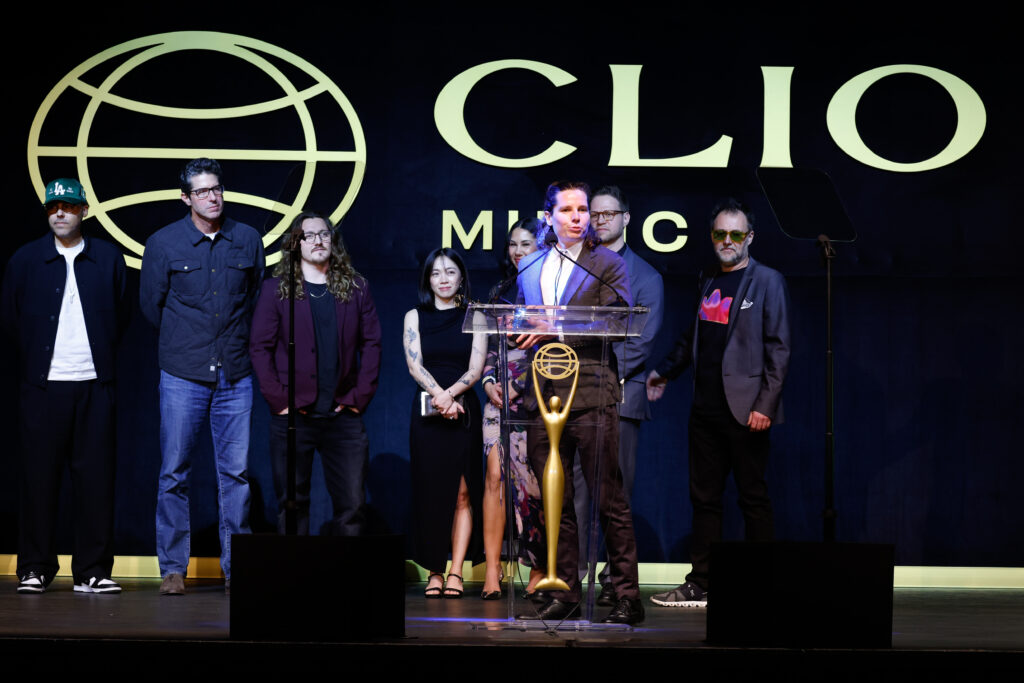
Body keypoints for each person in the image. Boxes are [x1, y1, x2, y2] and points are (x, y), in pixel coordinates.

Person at [646, 197, 790, 608]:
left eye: (736, 234)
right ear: (712, 237)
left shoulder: (768, 281)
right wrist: (665, 372)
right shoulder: (707, 276)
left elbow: (779, 349)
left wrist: (765, 405)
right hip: (705, 410)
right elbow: (693, 337)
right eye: (720, 234)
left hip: (747, 411)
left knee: (752, 497)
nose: (728, 241)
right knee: (704, 499)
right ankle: (702, 583)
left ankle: (764, 585)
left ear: (750, 237)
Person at [514, 181, 644, 625]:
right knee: (557, 500)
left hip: (590, 392)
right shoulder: (530, 264)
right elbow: (522, 319)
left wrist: (555, 328)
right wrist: (518, 329)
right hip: (542, 393)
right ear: (548, 216)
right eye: (567, 209)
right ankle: (565, 589)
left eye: (583, 209)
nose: (577, 217)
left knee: (608, 499)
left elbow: (618, 322)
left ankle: (627, 595)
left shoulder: (607, 263)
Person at [140, 158, 265, 595]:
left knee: (236, 474)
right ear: (185, 198)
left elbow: (254, 299)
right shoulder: (163, 242)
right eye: (202, 191)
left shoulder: (246, 239)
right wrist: (187, 342)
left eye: (217, 189)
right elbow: (151, 306)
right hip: (183, 372)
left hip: (235, 372)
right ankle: (173, 569)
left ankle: (238, 567)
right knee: (174, 471)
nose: (212, 197)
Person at [1, 178, 128, 594]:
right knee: (38, 479)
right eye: (53, 206)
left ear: (84, 211)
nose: (60, 213)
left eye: (69, 206)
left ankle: (92, 570)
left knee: (96, 481)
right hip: (43, 387)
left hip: (94, 384)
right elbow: (10, 319)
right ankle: (34, 567)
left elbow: (122, 316)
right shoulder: (25, 259)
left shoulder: (108, 258)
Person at [250, 211, 381, 536]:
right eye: (308, 236)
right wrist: (279, 401)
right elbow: (259, 348)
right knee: (292, 505)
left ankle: (345, 570)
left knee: (352, 507)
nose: (318, 240)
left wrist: (358, 398)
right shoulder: (276, 290)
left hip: (343, 416)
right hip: (294, 417)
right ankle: (294, 570)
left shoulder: (357, 288)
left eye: (324, 234)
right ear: (295, 244)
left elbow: (372, 344)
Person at [572, 185, 664, 606]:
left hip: (621, 397)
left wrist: (596, 377)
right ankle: (572, 576)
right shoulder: (577, 266)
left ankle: (615, 579)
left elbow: (640, 344)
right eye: (595, 214)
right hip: (575, 395)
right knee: (576, 490)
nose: (601, 220)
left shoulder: (646, 276)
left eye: (610, 213)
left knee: (616, 492)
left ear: (627, 218)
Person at [403, 248, 487, 598]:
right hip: (427, 410)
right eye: (436, 273)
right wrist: (439, 396)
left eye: (450, 272)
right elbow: (414, 364)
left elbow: (476, 369)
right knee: (431, 492)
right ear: (428, 279)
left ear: (461, 277)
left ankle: (456, 571)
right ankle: (434, 572)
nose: (443, 279)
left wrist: (450, 396)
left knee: (463, 493)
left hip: (464, 409)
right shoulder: (414, 316)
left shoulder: (476, 316)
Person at [480, 218, 546, 599]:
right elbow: (490, 346)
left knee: (530, 485)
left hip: (533, 397)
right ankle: (493, 570)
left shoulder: (548, 291)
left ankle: (537, 566)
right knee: (494, 476)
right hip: (497, 398)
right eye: (513, 244)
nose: (518, 251)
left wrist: (518, 386)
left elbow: (550, 349)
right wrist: (489, 381)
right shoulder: (500, 291)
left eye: (526, 244)